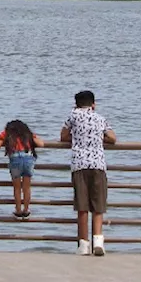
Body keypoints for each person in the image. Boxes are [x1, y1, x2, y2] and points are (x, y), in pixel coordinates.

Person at [61, 90, 115, 256]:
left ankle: (83, 245)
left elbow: (63, 136)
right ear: (93, 104)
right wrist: (99, 138)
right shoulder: (100, 118)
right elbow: (113, 138)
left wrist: (77, 137)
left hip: (79, 164)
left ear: (76, 104)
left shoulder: (73, 116)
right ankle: (98, 242)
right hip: (98, 164)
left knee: (82, 207)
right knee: (98, 206)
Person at [0, 120, 44, 219]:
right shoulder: (27, 134)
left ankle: (18, 210)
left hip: (15, 159)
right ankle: (26, 210)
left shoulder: (7, 134)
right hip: (28, 159)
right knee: (26, 187)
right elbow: (41, 144)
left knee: (17, 188)